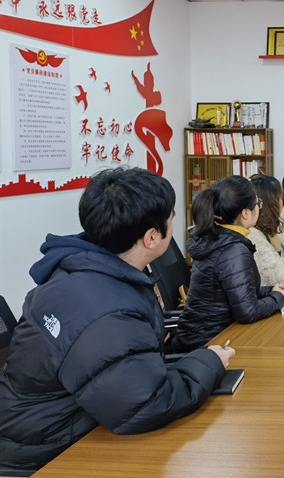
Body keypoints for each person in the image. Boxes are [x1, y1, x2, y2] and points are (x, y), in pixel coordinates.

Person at [0, 168, 234, 474]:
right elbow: (146, 405)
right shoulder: (107, 311)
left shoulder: (77, 270)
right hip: (48, 454)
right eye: (171, 219)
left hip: (45, 427)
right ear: (152, 237)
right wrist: (208, 361)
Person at [171, 175, 284, 352]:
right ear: (245, 213)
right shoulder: (233, 249)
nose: (259, 207)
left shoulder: (217, 237)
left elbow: (234, 291)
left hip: (205, 334)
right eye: (257, 203)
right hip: (209, 343)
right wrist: (278, 298)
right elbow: (248, 312)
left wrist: (269, 291)